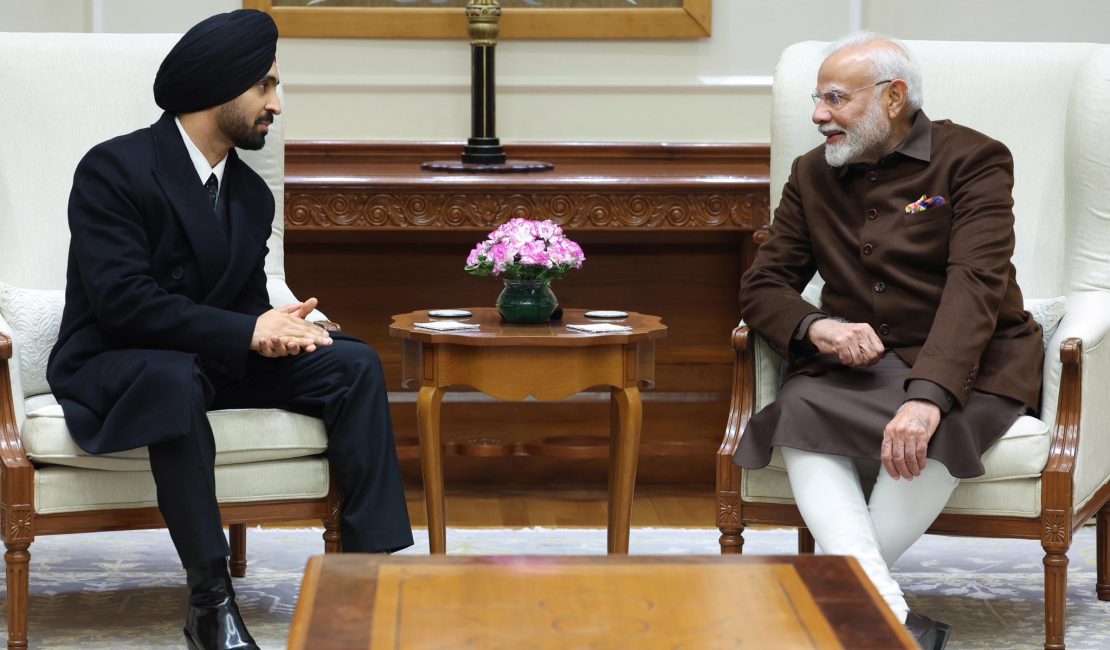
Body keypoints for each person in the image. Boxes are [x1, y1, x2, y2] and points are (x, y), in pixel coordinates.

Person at [46, 10, 413, 650]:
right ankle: (210, 600)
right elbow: (123, 303)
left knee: (350, 362)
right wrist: (244, 332)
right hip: (115, 361)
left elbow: (243, 305)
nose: (277, 105)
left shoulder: (250, 195)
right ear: (222, 87)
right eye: (266, 87)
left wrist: (276, 330)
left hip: (208, 359)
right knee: (174, 376)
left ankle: (364, 580)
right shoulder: (113, 169)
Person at [734, 32, 1043, 650]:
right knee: (797, 409)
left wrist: (928, 395)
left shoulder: (975, 160)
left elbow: (975, 284)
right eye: (816, 99)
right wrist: (815, 326)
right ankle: (889, 623)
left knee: (942, 427)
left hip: (973, 357)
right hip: (856, 364)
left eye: (835, 99)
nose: (818, 115)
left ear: (893, 97)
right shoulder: (810, 174)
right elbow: (764, 283)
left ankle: (839, 604)